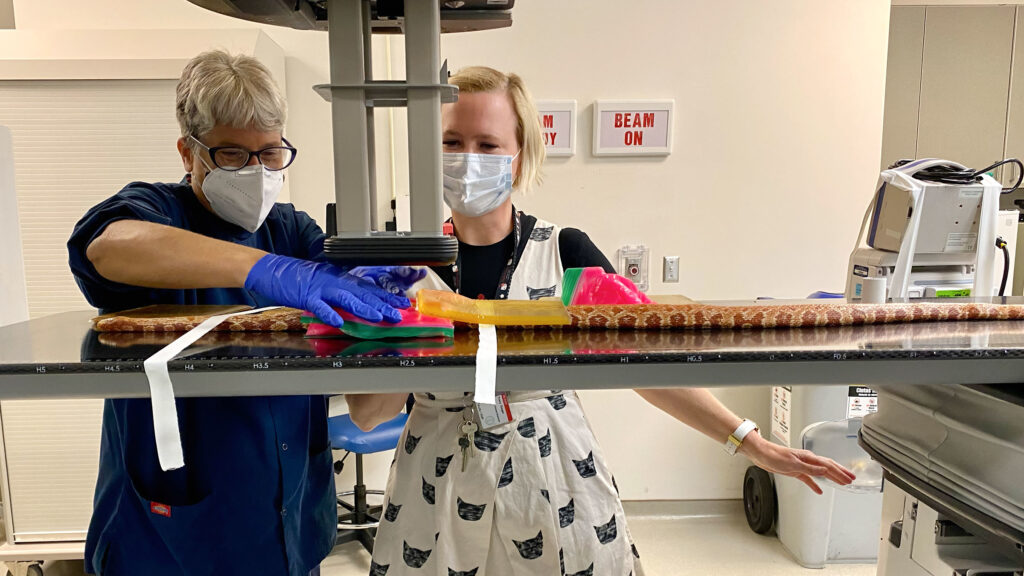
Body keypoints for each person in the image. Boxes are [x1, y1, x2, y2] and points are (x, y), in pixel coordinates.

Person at [346, 66, 856, 576]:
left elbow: (648, 369)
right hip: (435, 487)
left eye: (488, 145)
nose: (468, 160)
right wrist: (391, 312)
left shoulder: (565, 253)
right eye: (453, 142)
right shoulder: (405, 269)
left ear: (520, 155)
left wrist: (749, 441)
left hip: (551, 479)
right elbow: (369, 413)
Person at [67, 50, 418, 576]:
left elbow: (370, 390)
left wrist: (391, 310)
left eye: (271, 153)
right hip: (172, 532)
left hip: (290, 521)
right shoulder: (155, 210)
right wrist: (266, 272)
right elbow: (108, 247)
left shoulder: (292, 231)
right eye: (232, 155)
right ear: (189, 154)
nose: (256, 172)